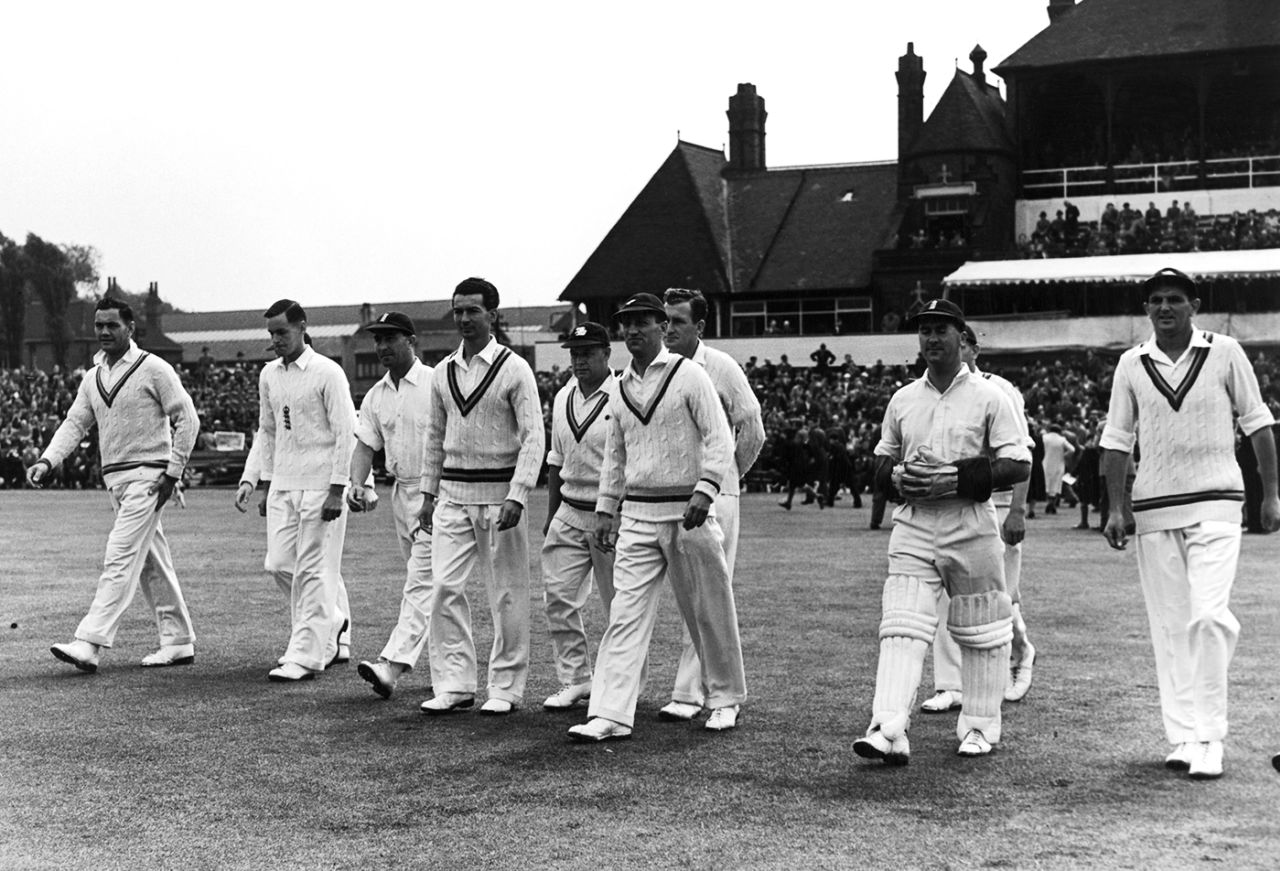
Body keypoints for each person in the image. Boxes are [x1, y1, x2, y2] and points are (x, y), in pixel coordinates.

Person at [1101, 267, 1280, 780]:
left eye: (1175, 299)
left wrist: (1271, 495)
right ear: (1146, 309)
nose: (1164, 308)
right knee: (1171, 627)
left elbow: (1258, 423)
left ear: (1194, 305)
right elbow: (1117, 439)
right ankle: (1181, 735)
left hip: (1220, 501)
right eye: (1155, 300)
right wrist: (1117, 507)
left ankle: (1210, 736)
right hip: (1155, 508)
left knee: (1209, 617)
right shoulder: (1131, 364)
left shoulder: (1224, 351)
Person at [853, 298, 1030, 764]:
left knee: (982, 629)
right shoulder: (904, 398)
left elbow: (1017, 462)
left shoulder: (991, 396)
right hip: (914, 522)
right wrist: (894, 477)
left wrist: (956, 477)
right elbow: (881, 458)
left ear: (961, 335)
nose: (932, 339)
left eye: (941, 330)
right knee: (902, 626)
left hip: (970, 523)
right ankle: (887, 729)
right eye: (925, 330)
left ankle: (979, 726)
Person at [568, 293, 746, 741]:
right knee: (625, 614)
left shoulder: (690, 376)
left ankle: (724, 700)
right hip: (639, 515)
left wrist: (706, 490)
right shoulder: (621, 386)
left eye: (642, 323)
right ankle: (610, 713)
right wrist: (607, 509)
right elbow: (615, 454)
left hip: (688, 514)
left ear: (661, 326)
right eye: (625, 324)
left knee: (707, 609)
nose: (632, 331)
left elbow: (720, 438)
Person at [30, 296, 199, 672]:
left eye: (112, 325)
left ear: (130, 328)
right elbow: (75, 423)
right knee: (151, 563)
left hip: (149, 478)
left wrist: (173, 473)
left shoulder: (154, 368)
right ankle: (178, 641)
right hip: (117, 481)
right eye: (99, 325)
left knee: (119, 555)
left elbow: (188, 419)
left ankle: (89, 642)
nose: (104, 331)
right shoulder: (93, 377)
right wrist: (48, 459)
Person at [416, 277, 544, 715]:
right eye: (458, 311)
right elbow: (434, 437)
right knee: (443, 587)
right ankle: (455, 685)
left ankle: (505, 688)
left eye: (473, 310)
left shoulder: (514, 368)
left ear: (493, 314)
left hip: (500, 499)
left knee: (506, 593)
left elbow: (533, 438)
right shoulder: (442, 372)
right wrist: (428, 494)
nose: (465, 319)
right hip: (452, 495)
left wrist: (518, 494)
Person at [234, 299, 356, 682]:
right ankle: (333, 621)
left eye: (282, 332)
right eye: (271, 333)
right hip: (283, 485)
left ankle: (305, 655)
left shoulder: (328, 372)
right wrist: (252, 478)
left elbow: (345, 433)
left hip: (322, 486)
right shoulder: (269, 374)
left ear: (302, 327)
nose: (275, 340)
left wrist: (339, 488)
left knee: (315, 571)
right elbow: (266, 431)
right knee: (280, 563)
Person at [658, 287, 764, 722]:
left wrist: (724, 481)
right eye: (664, 320)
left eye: (677, 322)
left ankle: (705, 696)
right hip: (672, 498)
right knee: (686, 595)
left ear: (699, 327)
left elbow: (752, 428)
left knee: (713, 594)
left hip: (717, 496)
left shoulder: (721, 367)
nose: (668, 329)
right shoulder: (657, 370)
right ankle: (691, 692)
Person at [921, 325, 1038, 714]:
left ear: (972, 348)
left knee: (999, 598)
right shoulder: (934, 393)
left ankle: (1019, 654)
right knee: (945, 598)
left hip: (1000, 502)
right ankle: (951, 685)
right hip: (956, 503)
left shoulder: (1000, 390)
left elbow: (1023, 457)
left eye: (964, 343)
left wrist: (1018, 510)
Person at [347, 312, 436, 699]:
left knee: (421, 581)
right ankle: (454, 675)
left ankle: (391, 666)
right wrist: (357, 484)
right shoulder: (375, 395)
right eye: (377, 340)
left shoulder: (436, 383)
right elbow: (365, 445)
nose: (382, 347)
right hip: (402, 492)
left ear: (411, 340)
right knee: (437, 589)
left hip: (439, 493)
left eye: (390, 338)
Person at [539, 322, 618, 711]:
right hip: (569, 511)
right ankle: (576, 680)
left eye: (587, 352)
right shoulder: (563, 395)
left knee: (620, 608)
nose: (579, 360)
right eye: (573, 353)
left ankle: (620, 687)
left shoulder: (622, 395)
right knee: (558, 599)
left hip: (610, 517)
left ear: (607, 353)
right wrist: (552, 514)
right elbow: (555, 460)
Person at [1041, 424, 1076, 514]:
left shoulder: (1044, 438)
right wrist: (1064, 455)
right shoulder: (1062, 440)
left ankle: (1049, 503)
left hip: (1046, 463)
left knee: (1047, 483)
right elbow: (1072, 449)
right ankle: (1052, 503)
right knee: (1056, 484)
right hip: (1059, 463)